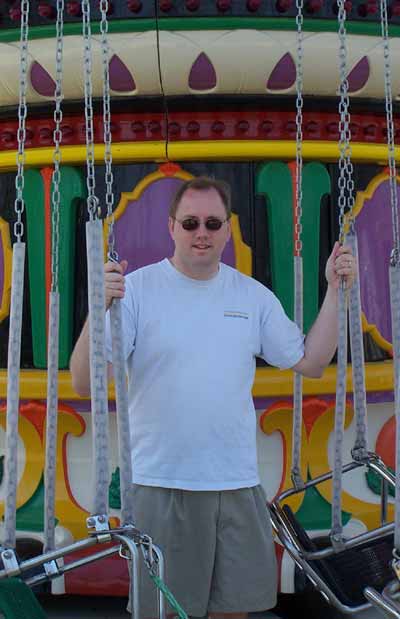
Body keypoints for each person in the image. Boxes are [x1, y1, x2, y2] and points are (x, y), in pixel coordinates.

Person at [70, 176, 356, 619]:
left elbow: (311, 361)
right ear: (171, 228)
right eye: (190, 223)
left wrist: (337, 291)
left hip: (236, 483)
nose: (200, 232)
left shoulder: (251, 296)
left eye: (211, 222)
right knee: (167, 613)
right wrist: (97, 307)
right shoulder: (137, 292)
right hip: (164, 483)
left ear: (226, 228)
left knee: (235, 610)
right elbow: (83, 383)